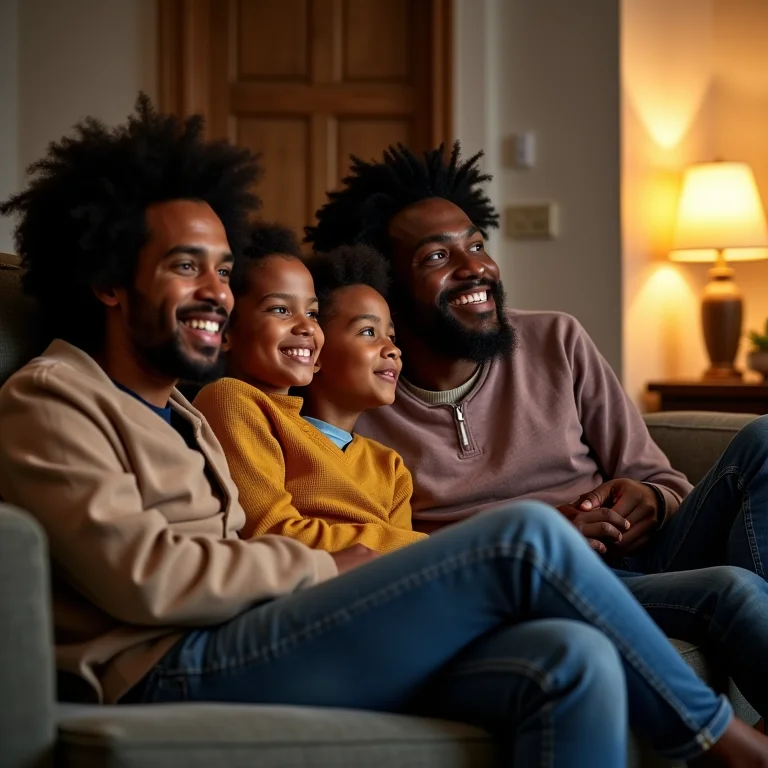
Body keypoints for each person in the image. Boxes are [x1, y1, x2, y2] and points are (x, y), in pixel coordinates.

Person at [1, 100, 767, 768]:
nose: (218, 292)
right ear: (106, 279)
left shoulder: (188, 410)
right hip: (165, 665)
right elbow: (145, 576)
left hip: (257, 629)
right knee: (523, 537)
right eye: (184, 266)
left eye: (224, 270)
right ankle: (720, 743)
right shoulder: (51, 398)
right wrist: (325, 569)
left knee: (571, 658)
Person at [306, 140, 768, 720]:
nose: (474, 267)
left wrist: (652, 498)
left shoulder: (557, 340)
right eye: (436, 257)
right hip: (529, 586)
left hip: (635, 558)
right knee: (733, 591)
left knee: (763, 440)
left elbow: (661, 478)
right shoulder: (357, 397)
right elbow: (383, 555)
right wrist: (543, 535)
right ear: (387, 290)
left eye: (476, 245)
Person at [194, 228, 426, 552]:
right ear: (226, 331)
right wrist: (426, 548)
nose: (306, 327)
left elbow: (410, 564)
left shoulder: (390, 467)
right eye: (280, 309)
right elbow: (271, 530)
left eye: (312, 313)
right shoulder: (233, 400)